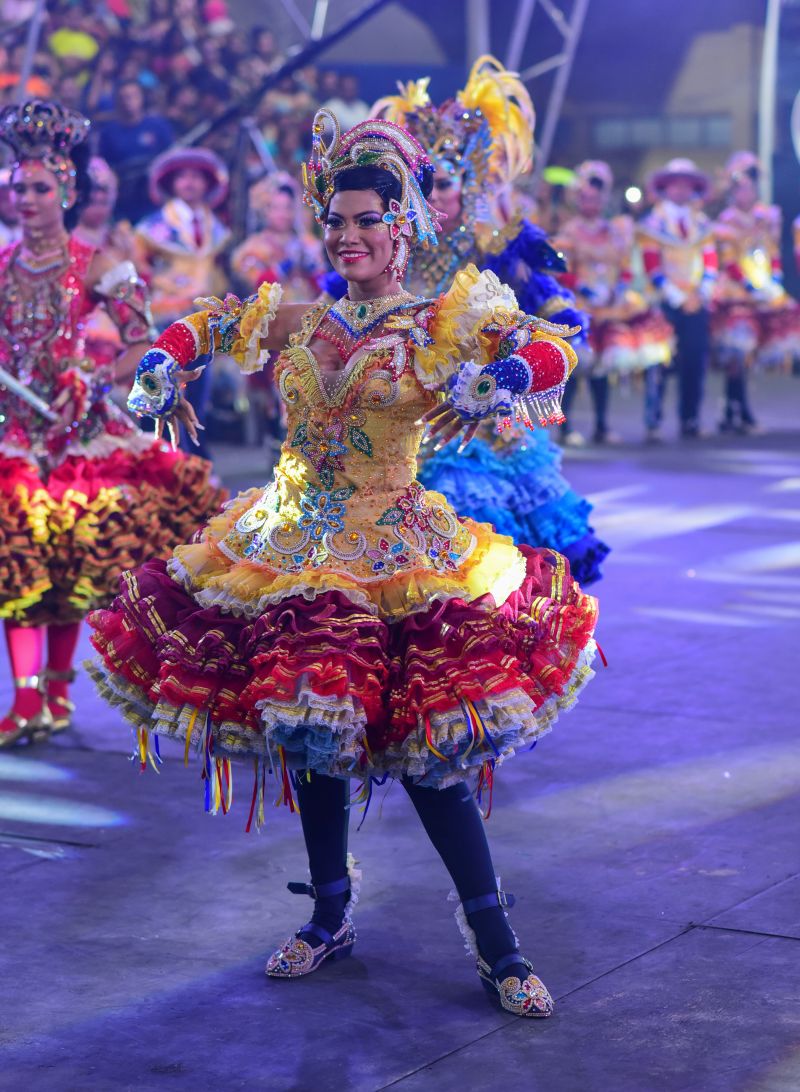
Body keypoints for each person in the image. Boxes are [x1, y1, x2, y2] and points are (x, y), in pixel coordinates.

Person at [87, 112, 599, 1018]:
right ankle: (329, 917)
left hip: (398, 554)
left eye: (367, 220)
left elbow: (562, 333)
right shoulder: (301, 313)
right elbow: (206, 323)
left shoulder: (446, 319)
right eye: (337, 222)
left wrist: (513, 377)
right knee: (313, 740)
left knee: (435, 760)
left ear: (402, 225)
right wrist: (164, 366)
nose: (349, 237)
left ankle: (498, 944)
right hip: (285, 551)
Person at [0, 100, 225, 748]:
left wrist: (92, 377)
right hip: (14, 432)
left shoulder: (99, 265)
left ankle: (59, 694)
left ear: (66, 189)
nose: (27, 199)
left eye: (40, 187)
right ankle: (23, 700)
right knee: (17, 564)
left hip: (77, 432)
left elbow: (140, 340)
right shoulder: (5, 263)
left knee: (68, 564)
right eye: (19, 188)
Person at [373, 58, 609, 585]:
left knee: (489, 528)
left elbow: (544, 299)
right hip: (408, 400)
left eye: (447, 186)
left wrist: (561, 321)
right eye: (426, 186)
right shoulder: (392, 247)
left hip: (485, 399)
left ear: (469, 186)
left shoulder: (495, 244)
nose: (436, 199)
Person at [554, 161, 673, 444]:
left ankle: (601, 424)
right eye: (585, 197)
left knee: (604, 367)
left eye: (596, 197)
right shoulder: (570, 231)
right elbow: (563, 270)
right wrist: (584, 288)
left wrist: (620, 287)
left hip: (611, 305)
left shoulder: (615, 231)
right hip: (581, 306)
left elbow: (625, 264)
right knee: (576, 365)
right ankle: (566, 427)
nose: (591, 203)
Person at [134, 147, 231, 456]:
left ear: (206, 184)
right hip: (168, 317)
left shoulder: (216, 228)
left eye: (196, 177)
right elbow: (139, 270)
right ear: (172, 183)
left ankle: (193, 448)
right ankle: (170, 450)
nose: (189, 183)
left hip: (204, 319)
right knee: (168, 381)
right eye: (182, 177)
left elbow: (217, 271)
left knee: (200, 384)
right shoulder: (152, 228)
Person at [711, 151, 800, 432]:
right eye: (740, 187)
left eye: (750, 186)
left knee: (757, 352)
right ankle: (737, 408)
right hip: (737, 292)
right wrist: (751, 285)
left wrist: (773, 278)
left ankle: (736, 406)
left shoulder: (767, 216)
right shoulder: (726, 221)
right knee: (737, 350)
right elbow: (729, 260)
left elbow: (772, 252)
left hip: (764, 290)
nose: (745, 192)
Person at [637, 158, 717, 440]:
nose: (681, 190)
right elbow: (651, 266)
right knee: (658, 363)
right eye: (675, 184)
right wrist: (678, 297)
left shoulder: (702, 223)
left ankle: (690, 418)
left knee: (695, 361)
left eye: (686, 184)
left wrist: (701, 293)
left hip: (697, 302)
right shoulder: (653, 223)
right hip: (665, 303)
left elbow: (710, 262)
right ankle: (653, 420)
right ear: (666, 187)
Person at [231, 172, 324, 301]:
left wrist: (312, 270)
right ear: (265, 210)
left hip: (307, 313)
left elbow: (323, 287)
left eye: (288, 207)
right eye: (276, 208)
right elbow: (256, 284)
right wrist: (283, 268)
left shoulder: (308, 243)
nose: (283, 214)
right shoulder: (254, 246)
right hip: (271, 317)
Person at [97, 80, 174, 224]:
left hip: (156, 197)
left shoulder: (158, 126)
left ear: (142, 98)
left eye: (133, 96)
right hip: (126, 202)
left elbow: (171, 160)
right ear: (117, 101)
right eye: (124, 97)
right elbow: (104, 168)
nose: (129, 101)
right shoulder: (109, 133)